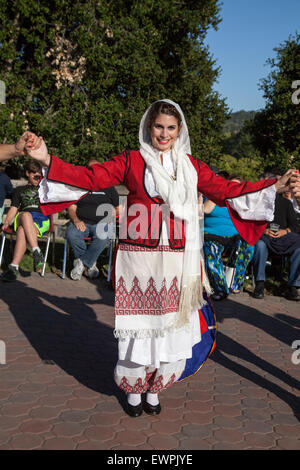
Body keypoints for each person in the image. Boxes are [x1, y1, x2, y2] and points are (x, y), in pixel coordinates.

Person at [23, 99, 294, 418]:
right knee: (139, 327)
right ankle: (133, 390)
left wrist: (272, 186)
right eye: (158, 127)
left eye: (170, 128)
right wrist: (45, 158)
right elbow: (89, 177)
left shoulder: (191, 166)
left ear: (179, 131)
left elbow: (225, 190)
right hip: (139, 259)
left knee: (169, 327)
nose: (164, 134)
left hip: (178, 259)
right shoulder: (132, 160)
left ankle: (155, 388)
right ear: (148, 127)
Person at [66, 159, 120, 280]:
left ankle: (81, 263)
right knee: (71, 234)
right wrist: (76, 220)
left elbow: (118, 209)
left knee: (104, 235)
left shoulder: (109, 187)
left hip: (101, 223)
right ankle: (91, 263)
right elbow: (71, 208)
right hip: (81, 222)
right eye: (91, 169)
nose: (95, 171)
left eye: (98, 168)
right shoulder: (80, 186)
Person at [203, 178, 255, 300]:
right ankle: (221, 289)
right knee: (211, 252)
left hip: (234, 238)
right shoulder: (215, 197)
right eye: (230, 185)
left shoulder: (241, 204)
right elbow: (205, 209)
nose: (233, 189)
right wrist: (219, 195)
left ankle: (234, 284)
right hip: (212, 235)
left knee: (249, 246)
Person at [0, 160, 49, 282]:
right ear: (28, 173)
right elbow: (14, 208)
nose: (38, 179)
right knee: (26, 215)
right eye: (35, 176)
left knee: (22, 230)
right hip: (23, 216)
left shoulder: (44, 189)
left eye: (40, 176)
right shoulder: (19, 190)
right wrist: (6, 222)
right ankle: (36, 251)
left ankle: (14, 268)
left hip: (41, 219)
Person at [252, 179, 300, 301]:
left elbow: (294, 225)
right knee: (260, 245)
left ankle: (293, 286)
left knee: (299, 247)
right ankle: (260, 283)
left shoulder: (286, 203)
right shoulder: (258, 202)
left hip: (283, 237)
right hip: (264, 236)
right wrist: (264, 231)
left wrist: (285, 231)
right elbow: (251, 223)